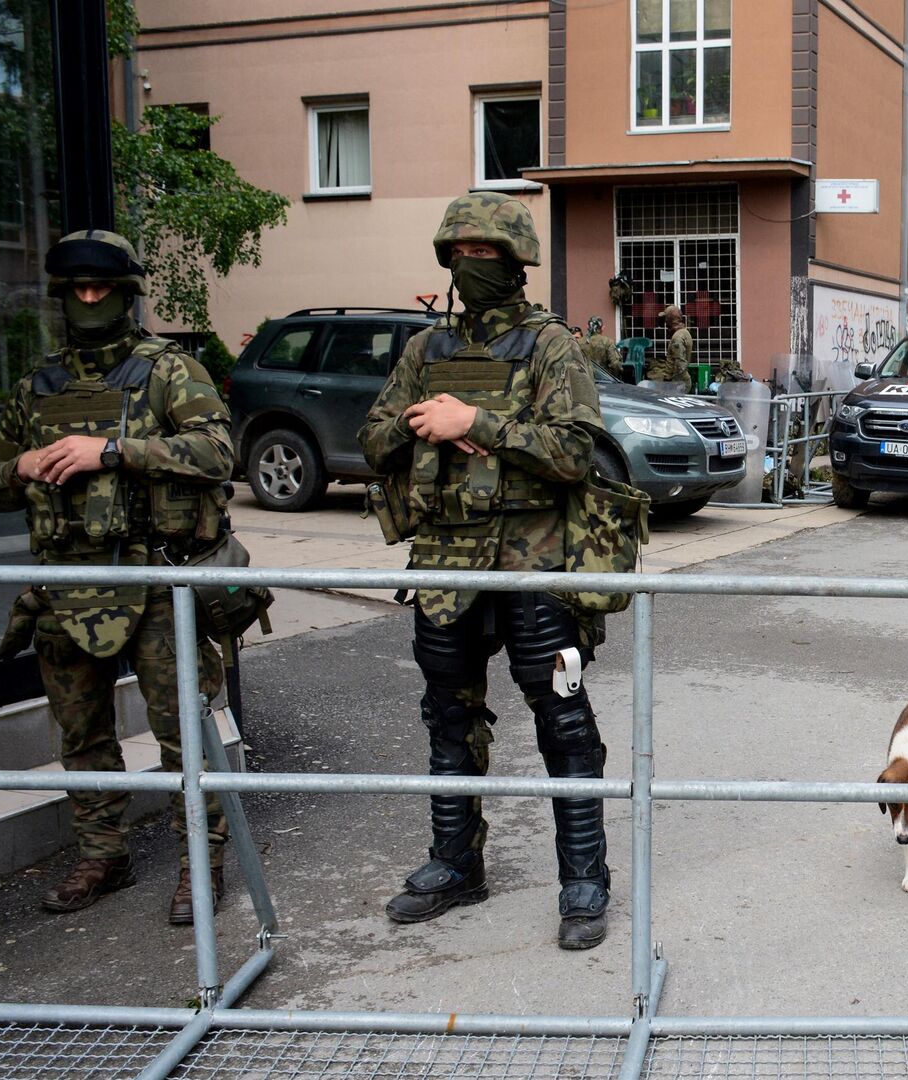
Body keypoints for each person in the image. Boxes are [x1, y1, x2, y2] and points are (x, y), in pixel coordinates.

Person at [359, 192, 614, 950]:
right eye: (461, 254)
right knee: (448, 716)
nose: (472, 266)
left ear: (515, 263)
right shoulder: (424, 350)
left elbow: (575, 451)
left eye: (487, 255)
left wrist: (477, 424)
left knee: (563, 720)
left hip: (534, 561)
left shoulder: (550, 347)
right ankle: (455, 863)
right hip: (444, 560)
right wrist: (419, 424)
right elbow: (373, 439)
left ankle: (584, 877)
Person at [0, 230, 236, 923]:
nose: (89, 299)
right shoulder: (38, 385)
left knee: (184, 730)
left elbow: (218, 451)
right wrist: (24, 467)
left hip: (154, 578)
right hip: (66, 581)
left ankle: (203, 860)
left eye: (102, 288)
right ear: (62, 297)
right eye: (77, 290)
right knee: (81, 731)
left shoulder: (168, 370)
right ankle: (103, 852)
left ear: (125, 294)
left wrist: (114, 452)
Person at [646, 304, 693, 390]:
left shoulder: (677, 337)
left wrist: (672, 383)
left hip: (677, 383)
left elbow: (680, 364)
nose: (665, 322)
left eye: (666, 319)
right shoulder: (684, 332)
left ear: (670, 319)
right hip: (678, 381)